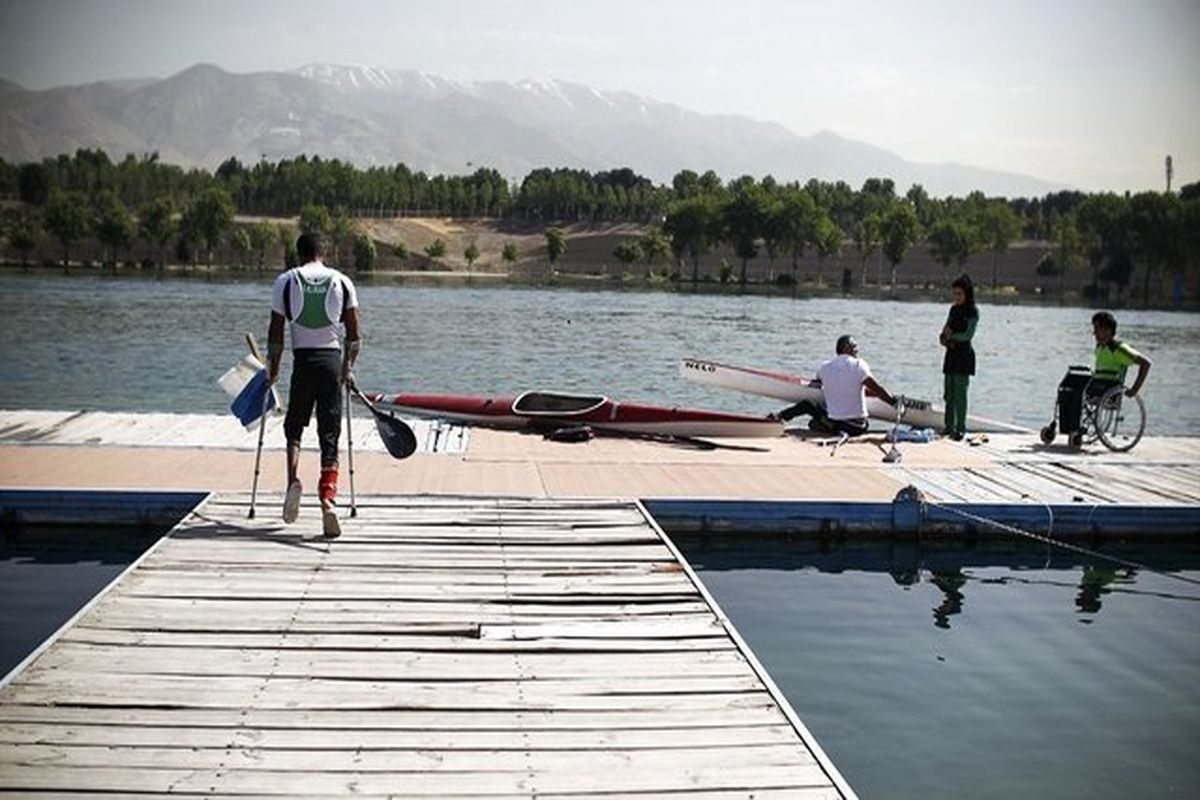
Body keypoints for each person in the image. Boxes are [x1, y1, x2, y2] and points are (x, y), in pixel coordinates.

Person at [266, 233, 361, 537]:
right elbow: (355, 334)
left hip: (303, 363)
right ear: (325, 253)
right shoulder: (342, 281)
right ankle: (327, 501)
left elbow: (275, 333)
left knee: (294, 428)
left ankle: (293, 480)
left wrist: (274, 370)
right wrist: (348, 368)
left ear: (298, 254)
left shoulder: (286, 281)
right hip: (332, 363)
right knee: (330, 432)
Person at [1051, 311, 1151, 438]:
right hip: (1096, 384)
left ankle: (1074, 428)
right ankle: (1063, 426)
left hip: (1108, 388)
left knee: (1078, 394)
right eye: (1094, 329)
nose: (1094, 333)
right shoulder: (1099, 347)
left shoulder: (1119, 349)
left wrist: (1134, 389)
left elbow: (1146, 364)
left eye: (1097, 329)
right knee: (1067, 389)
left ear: (1108, 330)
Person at [774, 335, 897, 437]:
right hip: (858, 427)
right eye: (855, 346)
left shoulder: (825, 367)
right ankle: (819, 425)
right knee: (813, 423)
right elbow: (877, 389)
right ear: (846, 348)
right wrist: (893, 403)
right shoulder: (859, 365)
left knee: (807, 407)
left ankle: (777, 418)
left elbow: (817, 383)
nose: (858, 349)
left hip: (841, 426)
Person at [939, 274, 978, 441]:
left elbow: (968, 335)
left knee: (960, 394)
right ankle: (948, 427)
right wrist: (943, 337)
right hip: (951, 354)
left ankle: (960, 428)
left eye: (959, 294)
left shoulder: (973, 311)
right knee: (949, 393)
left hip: (963, 355)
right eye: (954, 294)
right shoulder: (953, 310)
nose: (956, 297)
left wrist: (952, 337)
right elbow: (946, 328)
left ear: (967, 294)